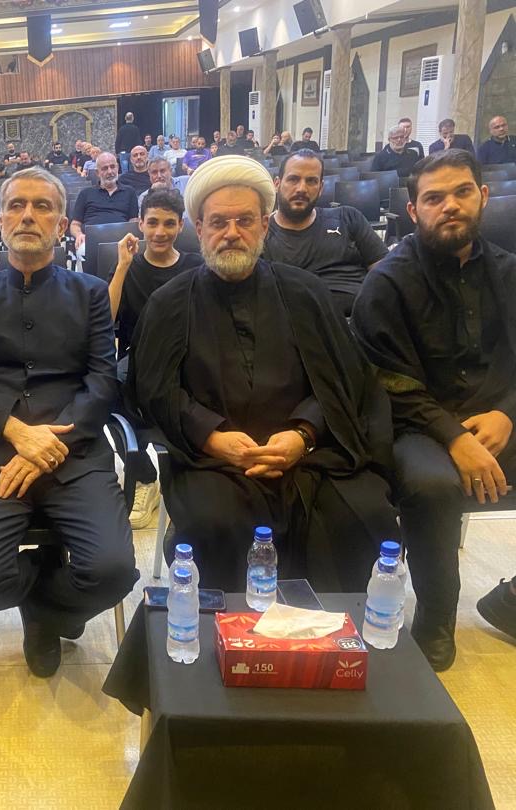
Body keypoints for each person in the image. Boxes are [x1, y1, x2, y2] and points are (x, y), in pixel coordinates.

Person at [127, 156, 399, 593]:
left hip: (310, 455)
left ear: (264, 226)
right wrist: (212, 437)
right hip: (214, 463)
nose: (231, 232)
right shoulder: (169, 303)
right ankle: (231, 630)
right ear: (200, 228)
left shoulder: (306, 292)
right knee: (214, 521)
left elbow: (344, 379)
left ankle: (326, 629)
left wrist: (303, 434)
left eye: (245, 221)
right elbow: (155, 389)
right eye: (219, 222)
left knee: (364, 513)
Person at [0, 167, 138, 678]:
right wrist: (16, 432)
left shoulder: (90, 293)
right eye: (16, 205)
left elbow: (102, 381)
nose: (27, 215)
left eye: (42, 206)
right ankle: (45, 587)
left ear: (62, 224)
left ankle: (43, 614)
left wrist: (51, 445)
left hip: (75, 452)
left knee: (114, 572)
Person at [352, 150, 516, 670]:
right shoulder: (388, 282)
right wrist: (454, 436)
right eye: (435, 198)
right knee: (432, 485)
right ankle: (437, 617)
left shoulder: (510, 272)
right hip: (416, 425)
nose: (451, 206)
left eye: (462, 192)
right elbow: (387, 380)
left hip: (499, 419)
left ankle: (512, 600)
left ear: (482, 196)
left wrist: (507, 413)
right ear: (413, 209)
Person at [263, 150, 387, 317]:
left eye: (311, 181)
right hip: (300, 324)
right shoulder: (261, 234)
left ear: (321, 188)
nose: (301, 188)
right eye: (293, 179)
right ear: (277, 184)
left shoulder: (348, 218)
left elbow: (384, 271)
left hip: (359, 319)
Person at [110, 188, 203, 360]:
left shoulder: (196, 267)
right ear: (141, 224)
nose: (160, 232)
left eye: (169, 224)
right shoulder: (126, 267)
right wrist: (122, 266)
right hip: (138, 357)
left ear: (180, 225)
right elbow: (106, 320)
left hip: (186, 357)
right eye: (152, 223)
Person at [69, 151, 139, 260]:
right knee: (82, 250)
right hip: (90, 241)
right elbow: (74, 224)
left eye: (112, 167)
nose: (110, 171)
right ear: (97, 173)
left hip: (121, 240)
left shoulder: (130, 192)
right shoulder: (85, 194)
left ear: (118, 168)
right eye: (105, 168)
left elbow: (133, 221)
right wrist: (79, 235)